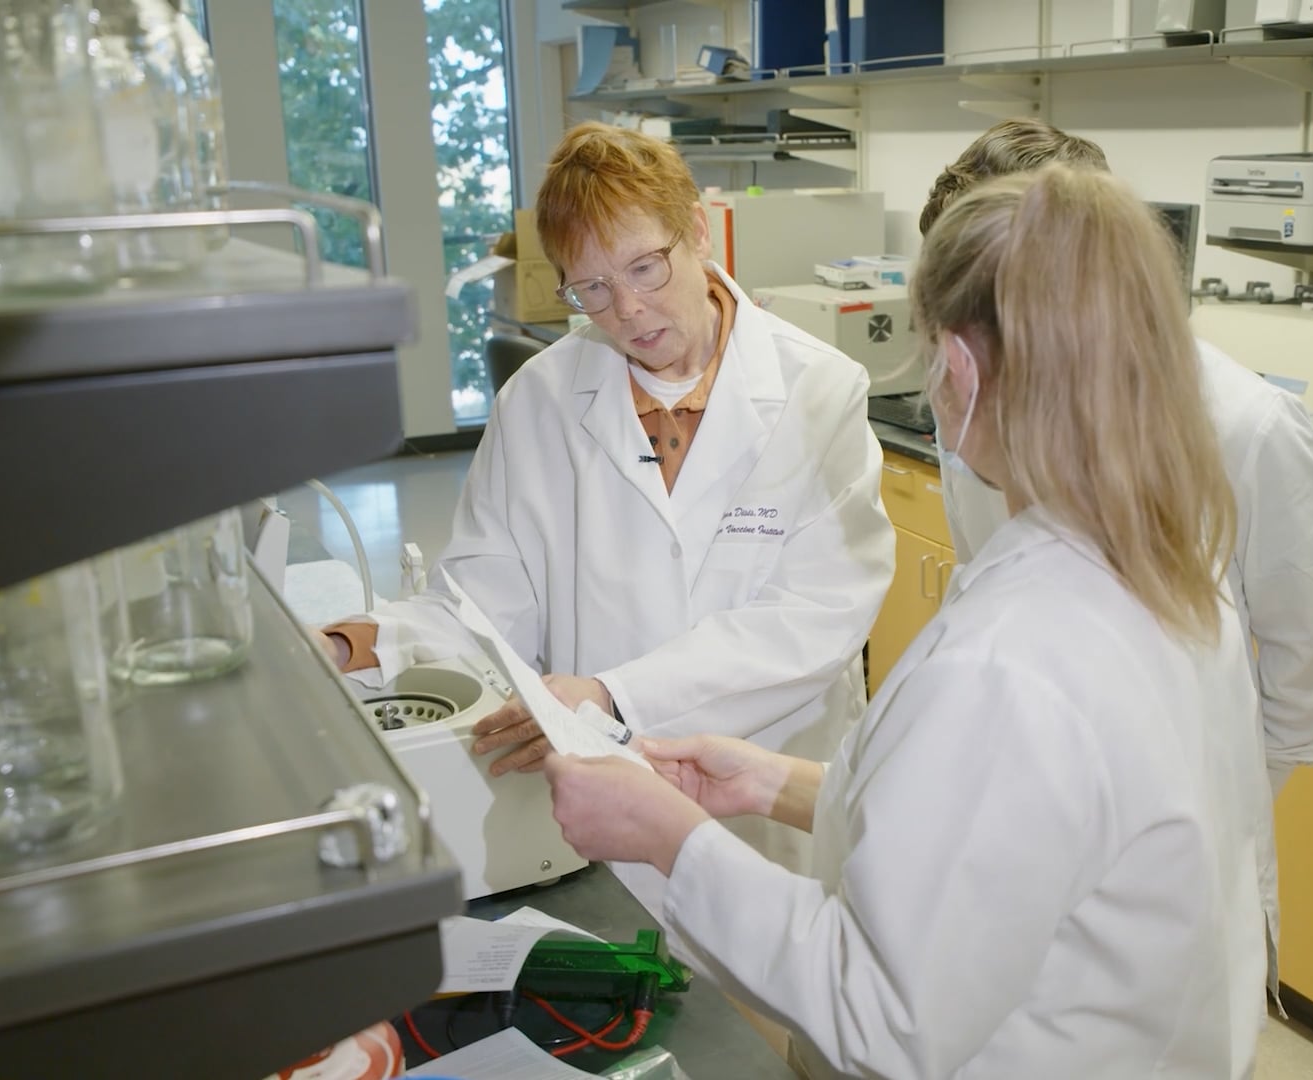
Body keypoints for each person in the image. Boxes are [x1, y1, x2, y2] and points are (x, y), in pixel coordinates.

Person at [542, 165, 1273, 1079]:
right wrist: (779, 786)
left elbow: (882, 1015)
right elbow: (1016, 836)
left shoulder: (1011, 661)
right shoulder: (1170, 574)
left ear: (958, 368)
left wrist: (666, 837)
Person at [318, 122, 896, 906]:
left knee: (768, 1011)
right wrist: (369, 640)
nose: (626, 309)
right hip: (608, 813)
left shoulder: (820, 390)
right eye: (589, 288)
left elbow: (814, 621)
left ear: (696, 230)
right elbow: (486, 602)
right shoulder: (540, 400)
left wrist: (614, 694)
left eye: (645, 268)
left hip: (767, 810)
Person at [919, 120, 1313, 1004]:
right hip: (1020, 841)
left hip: (1183, 876)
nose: (966, 356)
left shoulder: (1245, 427)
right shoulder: (969, 389)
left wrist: (1198, 795)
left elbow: (1306, 680)